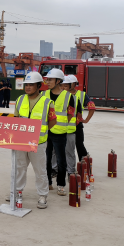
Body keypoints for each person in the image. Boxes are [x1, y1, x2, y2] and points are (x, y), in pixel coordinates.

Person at [10, 72, 57, 209]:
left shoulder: (48, 102)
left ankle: (43, 195)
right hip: (21, 141)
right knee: (19, 168)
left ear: (39, 86)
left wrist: (41, 132)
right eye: (26, 85)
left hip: (39, 143)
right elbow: (16, 119)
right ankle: (17, 192)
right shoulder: (20, 100)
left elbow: (53, 121)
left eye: (31, 85)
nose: (28, 87)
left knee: (40, 170)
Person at [42, 68, 74, 196]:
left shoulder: (68, 96)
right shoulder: (43, 94)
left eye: (50, 79)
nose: (47, 82)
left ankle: (61, 185)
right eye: (47, 79)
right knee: (46, 159)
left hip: (60, 133)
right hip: (46, 132)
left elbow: (70, 114)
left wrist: (61, 123)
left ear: (58, 81)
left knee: (61, 160)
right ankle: (48, 182)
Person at [64, 74, 95, 161]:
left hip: (77, 125)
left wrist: (86, 120)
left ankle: (84, 163)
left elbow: (91, 106)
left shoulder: (82, 94)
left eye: (69, 83)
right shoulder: (62, 94)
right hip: (64, 124)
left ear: (74, 84)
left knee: (79, 145)